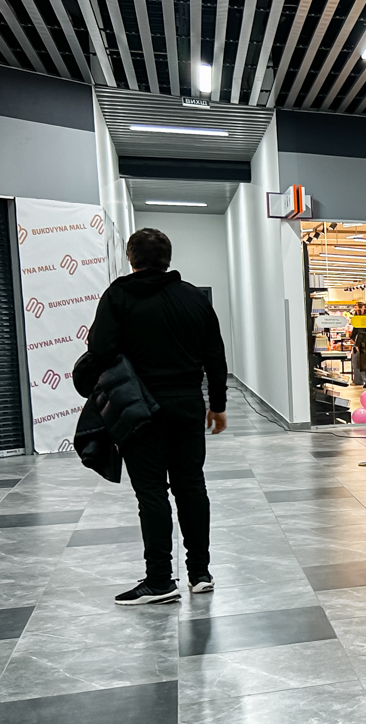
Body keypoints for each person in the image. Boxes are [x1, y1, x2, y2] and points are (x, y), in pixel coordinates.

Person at [85, 228, 228, 606]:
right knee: (191, 486)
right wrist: (217, 404)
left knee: (151, 492)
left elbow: (99, 350)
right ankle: (200, 573)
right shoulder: (194, 298)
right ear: (168, 258)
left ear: (130, 257)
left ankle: (160, 580)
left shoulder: (117, 295)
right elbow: (215, 355)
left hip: (138, 409)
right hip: (187, 405)